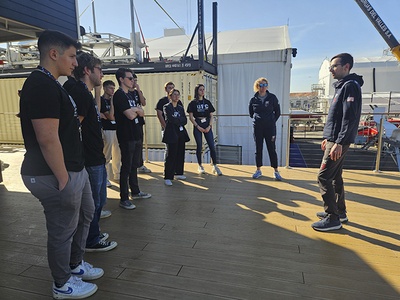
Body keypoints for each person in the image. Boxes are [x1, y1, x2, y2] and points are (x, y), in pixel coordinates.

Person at [19, 30, 101, 299]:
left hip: (75, 169)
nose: (75, 63)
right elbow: (47, 139)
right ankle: (62, 284)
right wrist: (63, 178)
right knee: (62, 230)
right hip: (54, 174)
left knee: (86, 213)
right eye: (72, 56)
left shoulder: (52, 83)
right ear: (53, 54)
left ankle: (75, 266)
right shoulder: (40, 85)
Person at [64, 52, 117, 252]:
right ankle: (91, 239)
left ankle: (92, 232)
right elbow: (71, 128)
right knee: (92, 202)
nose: (102, 74)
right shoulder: (77, 91)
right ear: (87, 70)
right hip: (89, 158)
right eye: (99, 69)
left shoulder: (83, 91)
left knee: (99, 200)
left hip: (96, 155)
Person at [312, 53, 363, 232]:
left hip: (339, 141)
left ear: (346, 67)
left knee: (323, 176)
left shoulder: (349, 86)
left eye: (334, 66)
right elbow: (337, 117)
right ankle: (340, 212)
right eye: (330, 67)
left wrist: (339, 142)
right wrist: (328, 137)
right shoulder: (343, 86)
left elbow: (349, 117)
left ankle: (332, 218)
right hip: (335, 139)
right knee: (336, 177)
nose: (331, 70)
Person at [113, 68, 151, 209]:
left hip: (136, 133)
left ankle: (135, 191)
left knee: (135, 164)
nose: (132, 80)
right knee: (126, 166)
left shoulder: (131, 94)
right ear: (121, 79)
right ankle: (124, 198)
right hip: (126, 135)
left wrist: (136, 111)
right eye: (129, 78)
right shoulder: (119, 95)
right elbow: (130, 115)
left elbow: (142, 111)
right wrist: (137, 111)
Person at [249, 77, 282, 181]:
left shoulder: (272, 98)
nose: (262, 87)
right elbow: (251, 113)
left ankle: (276, 171)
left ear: (267, 86)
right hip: (258, 128)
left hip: (270, 128)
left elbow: (278, 112)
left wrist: (271, 121)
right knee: (258, 149)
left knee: (271, 149)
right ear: (257, 86)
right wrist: (258, 120)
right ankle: (258, 170)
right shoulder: (253, 99)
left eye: (264, 85)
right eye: (260, 85)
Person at [187, 84, 222, 175]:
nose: (202, 91)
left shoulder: (207, 102)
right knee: (199, 146)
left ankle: (215, 165)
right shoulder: (192, 103)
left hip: (207, 124)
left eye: (203, 89)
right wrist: (197, 126)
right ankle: (200, 165)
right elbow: (191, 117)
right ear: (197, 91)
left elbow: (211, 115)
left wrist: (209, 126)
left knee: (211, 145)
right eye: (200, 90)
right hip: (197, 123)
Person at [163, 89, 190, 186]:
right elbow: (170, 119)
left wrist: (178, 120)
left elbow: (185, 120)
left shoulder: (180, 108)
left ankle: (179, 172)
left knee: (180, 153)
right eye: (174, 95)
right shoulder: (167, 107)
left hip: (180, 133)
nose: (176, 97)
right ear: (170, 96)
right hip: (171, 133)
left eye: (178, 95)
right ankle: (168, 176)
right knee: (171, 154)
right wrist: (179, 120)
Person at [128, 74, 152, 174]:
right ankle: (131, 166)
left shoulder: (138, 92)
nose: (134, 83)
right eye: (133, 80)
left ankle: (140, 164)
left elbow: (143, 103)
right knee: (131, 145)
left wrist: (138, 91)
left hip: (139, 121)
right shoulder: (125, 93)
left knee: (139, 144)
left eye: (136, 81)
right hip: (130, 123)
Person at [100, 80, 120, 187]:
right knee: (106, 154)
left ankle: (117, 173)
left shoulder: (116, 99)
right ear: (105, 88)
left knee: (118, 152)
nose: (113, 90)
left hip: (116, 128)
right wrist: (112, 104)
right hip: (107, 129)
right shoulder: (101, 100)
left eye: (114, 88)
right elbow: (111, 116)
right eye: (110, 88)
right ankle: (105, 177)